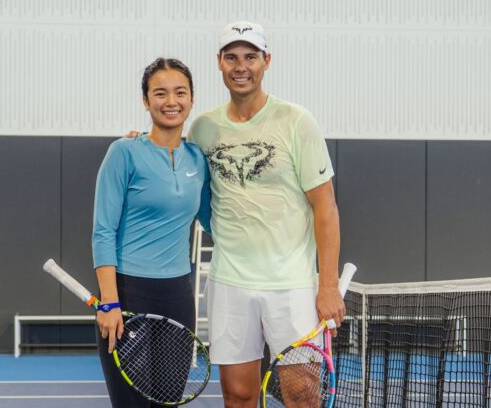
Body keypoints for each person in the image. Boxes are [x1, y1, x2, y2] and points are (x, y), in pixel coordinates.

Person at [187, 21, 344, 407]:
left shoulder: (296, 121)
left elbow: (325, 207)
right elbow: (187, 183)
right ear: (220, 64)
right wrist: (139, 140)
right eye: (232, 57)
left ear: (266, 62)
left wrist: (327, 285)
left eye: (250, 57)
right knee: (238, 396)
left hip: (292, 285)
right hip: (230, 283)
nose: (241, 66)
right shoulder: (203, 129)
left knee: (302, 396)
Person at [91, 57, 211, 407]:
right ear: (146, 101)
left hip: (177, 296)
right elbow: (102, 232)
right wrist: (110, 302)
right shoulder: (123, 153)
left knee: (167, 402)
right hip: (128, 297)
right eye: (160, 93)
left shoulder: (197, 159)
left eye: (180, 92)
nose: (170, 101)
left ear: (191, 99)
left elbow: (214, 220)